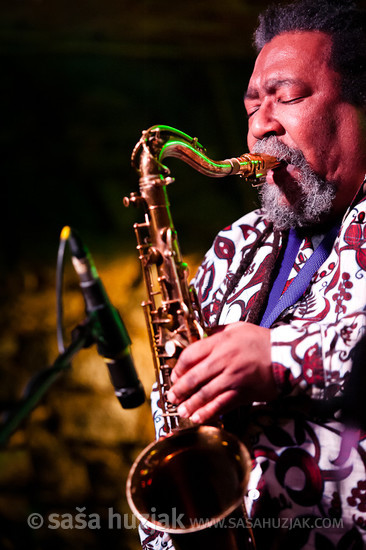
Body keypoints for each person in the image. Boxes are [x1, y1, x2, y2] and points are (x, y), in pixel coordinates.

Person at [138, 0, 366, 548]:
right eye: (250, 108)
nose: (261, 126)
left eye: (286, 97)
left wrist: (277, 358)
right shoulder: (234, 245)